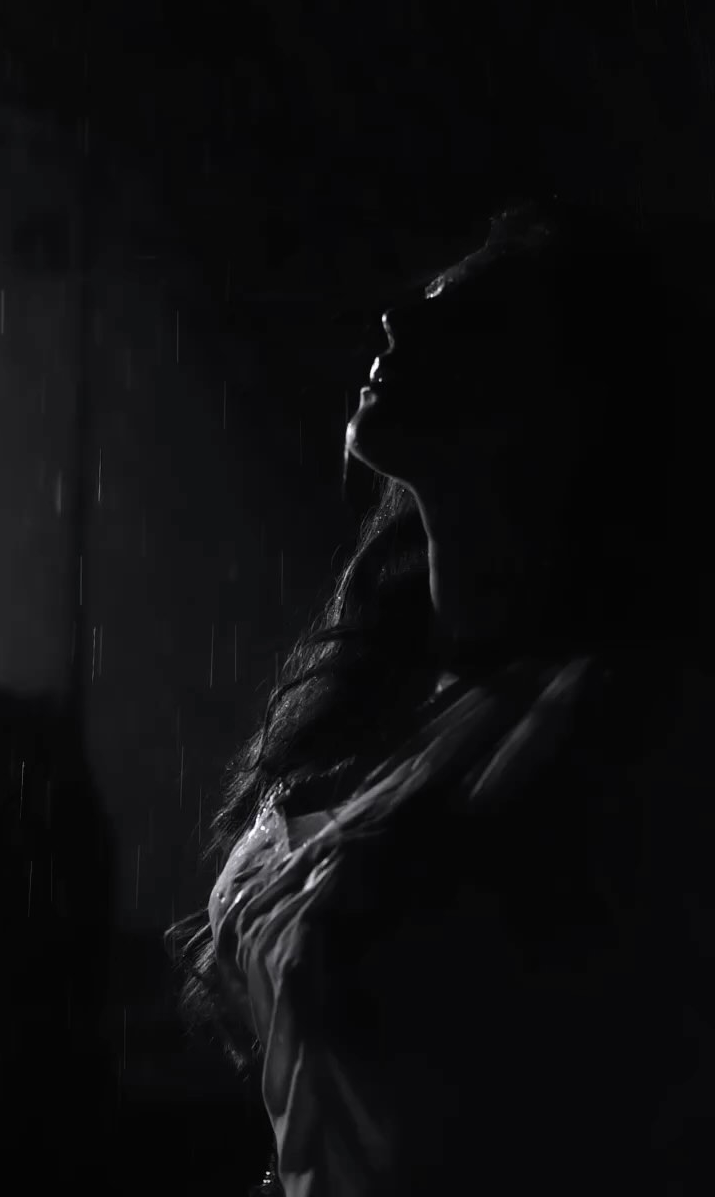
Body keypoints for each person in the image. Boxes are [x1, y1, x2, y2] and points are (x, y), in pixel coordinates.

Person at [168, 196, 715, 1196]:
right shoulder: (395, 682)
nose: (394, 319)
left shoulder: (620, 727)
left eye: (464, 313)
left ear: (556, 401)